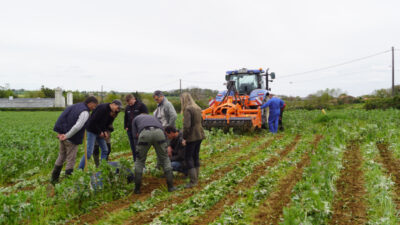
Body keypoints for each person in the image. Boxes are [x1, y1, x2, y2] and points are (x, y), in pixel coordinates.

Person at [51, 96, 98, 184]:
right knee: (71, 159)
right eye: (94, 106)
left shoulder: (74, 106)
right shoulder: (85, 112)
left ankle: (54, 180)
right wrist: (67, 136)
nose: (94, 108)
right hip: (71, 138)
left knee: (61, 156)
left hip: (62, 135)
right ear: (90, 103)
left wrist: (60, 132)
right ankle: (68, 182)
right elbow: (77, 126)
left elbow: (62, 117)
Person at [131, 114, 176, 193]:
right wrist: (167, 145)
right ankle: (171, 187)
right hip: (159, 133)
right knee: (165, 158)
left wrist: (137, 150)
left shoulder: (135, 119)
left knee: (140, 160)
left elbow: (135, 136)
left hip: (145, 134)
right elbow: (163, 130)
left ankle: (137, 189)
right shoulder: (154, 118)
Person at [78, 100, 123, 170]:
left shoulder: (110, 111)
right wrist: (100, 132)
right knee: (89, 152)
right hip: (92, 130)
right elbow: (93, 122)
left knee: (105, 150)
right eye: (118, 107)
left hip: (99, 131)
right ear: (113, 104)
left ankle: (102, 168)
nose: (118, 109)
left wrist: (104, 131)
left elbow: (103, 123)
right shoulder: (102, 108)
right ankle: (80, 169)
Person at [180, 92, 205, 188]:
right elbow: (202, 121)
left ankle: (193, 181)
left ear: (183, 100)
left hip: (192, 136)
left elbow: (187, 126)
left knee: (188, 157)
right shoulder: (197, 108)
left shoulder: (187, 109)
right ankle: (196, 178)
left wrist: (184, 138)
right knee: (195, 156)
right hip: (200, 134)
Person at [124, 94, 148, 162]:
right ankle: (136, 162)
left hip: (138, 130)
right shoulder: (127, 107)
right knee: (133, 147)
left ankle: (142, 163)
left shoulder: (141, 105)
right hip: (130, 130)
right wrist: (125, 126)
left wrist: (141, 129)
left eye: (130, 102)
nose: (130, 104)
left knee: (139, 147)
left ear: (133, 99)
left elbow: (146, 117)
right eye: (128, 103)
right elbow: (126, 118)